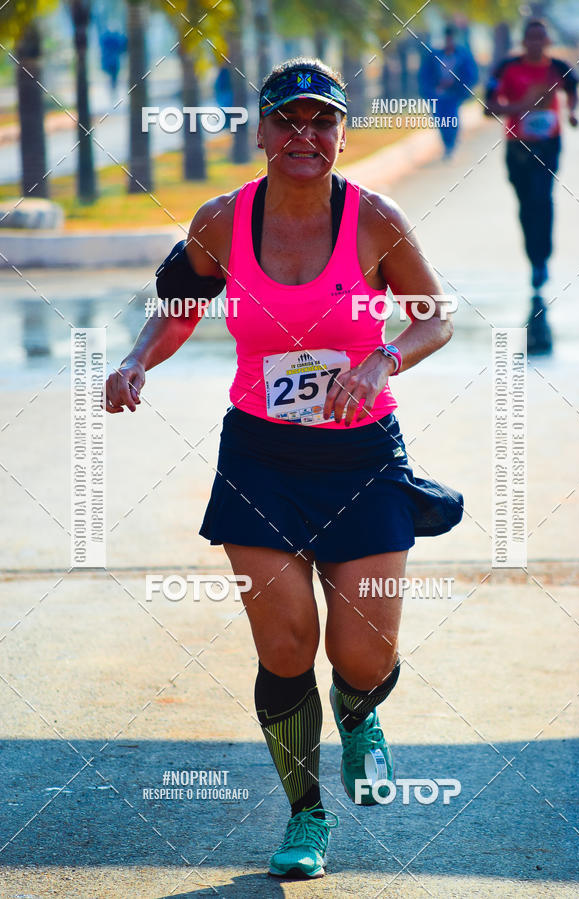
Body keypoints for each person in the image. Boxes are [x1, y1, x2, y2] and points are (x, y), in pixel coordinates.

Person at [105, 58, 464, 879]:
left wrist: (383, 360)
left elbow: (435, 318)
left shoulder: (376, 218)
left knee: (364, 651)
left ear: (341, 133)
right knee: (286, 645)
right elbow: (177, 305)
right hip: (261, 458)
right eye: (289, 121)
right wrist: (136, 361)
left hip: (363, 457)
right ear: (263, 132)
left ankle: (360, 711)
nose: (306, 136)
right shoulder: (223, 220)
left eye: (322, 122)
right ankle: (306, 816)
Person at [485, 19, 579, 351]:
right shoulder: (507, 67)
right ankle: (534, 258)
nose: (537, 43)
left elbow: (573, 89)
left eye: (542, 38)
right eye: (531, 38)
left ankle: (541, 261)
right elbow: (488, 106)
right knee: (527, 204)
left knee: (544, 198)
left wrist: (571, 114)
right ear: (523, 41)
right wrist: (519, 107)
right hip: (518, 148)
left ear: (548, 40)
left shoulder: (558, 67)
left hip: (548, 145)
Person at [418, 24, 479, 159]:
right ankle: (447, 145)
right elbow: (425, 75)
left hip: (453, 94)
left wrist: (456, 84)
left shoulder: (463, 56)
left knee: (452, 119)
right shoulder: (434, 56)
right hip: (437, 94)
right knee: (440, 120)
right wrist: (432, 88)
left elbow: (470, 75)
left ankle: (451, 144)